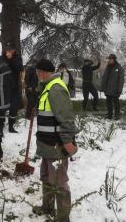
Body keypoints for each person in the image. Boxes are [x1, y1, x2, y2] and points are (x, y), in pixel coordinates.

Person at [32, 59, 78, 222]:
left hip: (57, 145)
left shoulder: (56, 88)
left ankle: (63, 218)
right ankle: (47, 207)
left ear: (44, 72)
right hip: (47, 144)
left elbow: (66, 118)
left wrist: (66, 141)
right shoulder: (47, 87)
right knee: (46, 177)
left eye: (38, 72)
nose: (37, 75)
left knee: (59, 181)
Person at [1, 41, 23, 133]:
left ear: (14, 50)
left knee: (14, 107)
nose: (9, 50)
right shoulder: (2, 58)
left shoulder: (17, 58)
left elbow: (20, 68)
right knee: (2, 107)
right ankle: (0, 126)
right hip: (3, 87)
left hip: (14, 87)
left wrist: (11, 60)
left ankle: (11, 126)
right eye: (7, 49)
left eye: (10, 49)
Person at [101, 54, 125, 120]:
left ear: (114, 59)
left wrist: (119, 90)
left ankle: (117, 115)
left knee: (116, 103)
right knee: (108, 103)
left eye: (111, 59)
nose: (109, 60)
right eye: (109, 59)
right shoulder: (107, 67)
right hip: (108, 89)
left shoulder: (119, 68)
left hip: (115, 89)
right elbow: (104, 77)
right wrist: (103, 87)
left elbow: (121, 80)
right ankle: (109, 115)